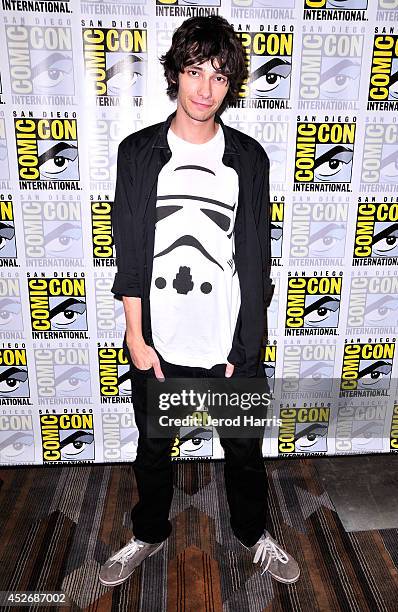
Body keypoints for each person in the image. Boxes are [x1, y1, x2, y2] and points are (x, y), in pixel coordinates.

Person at [99, 15, 300, 588]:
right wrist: (137, 338)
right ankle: (147, 533)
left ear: (231, 83)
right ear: (175, 75)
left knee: (243, 451)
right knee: (154, 450)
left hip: (227, 337)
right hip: (160, 338)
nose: (205, 88)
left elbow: (256, 260)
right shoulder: (138, 153)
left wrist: (247, 346)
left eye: (218, 75)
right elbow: (130, 251)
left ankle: (252, 532)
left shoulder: (249, 158)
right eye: (193, 72)